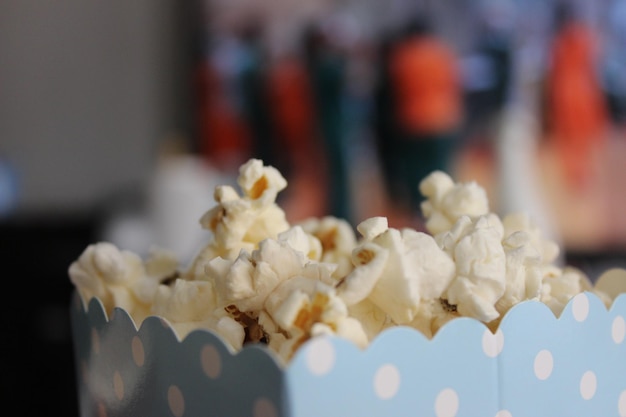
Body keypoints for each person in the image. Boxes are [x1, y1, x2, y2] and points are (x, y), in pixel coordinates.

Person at [387, 16, 464, 221]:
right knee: (442, 166)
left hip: (414, 120)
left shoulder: (403, 55)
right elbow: (454, 82)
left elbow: (397, 88)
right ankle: (447, 209)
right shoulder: (443, 52)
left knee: (417, 171)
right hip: (443, 118)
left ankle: (419, 212)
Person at [544, 2, 609, 189]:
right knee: (582, 138)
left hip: (564, 93)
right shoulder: (585, 39)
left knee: (568, 139)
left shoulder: (559, 42)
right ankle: (582, 174)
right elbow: (593, 70)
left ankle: (574, 175)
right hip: (584, 93)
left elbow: (554, 73)